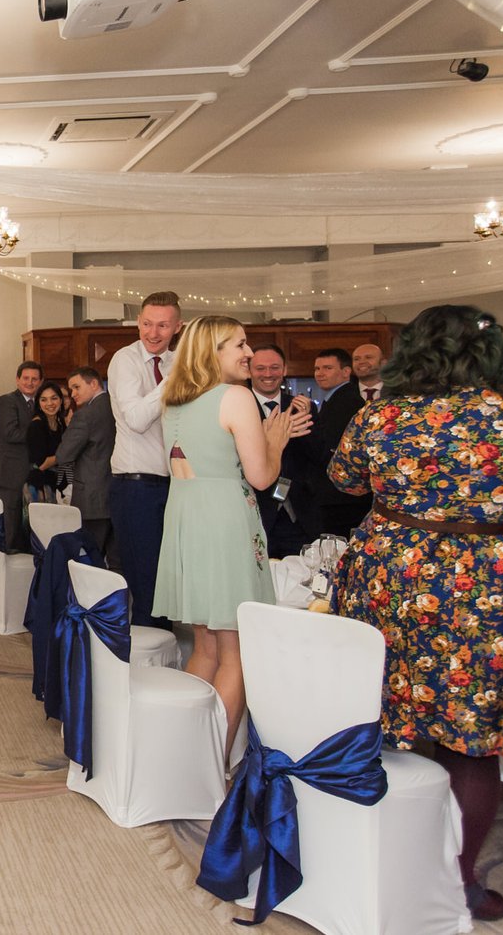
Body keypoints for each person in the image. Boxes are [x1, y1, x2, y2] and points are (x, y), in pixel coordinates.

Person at [330, 306, 503, 922]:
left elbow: (344, 479)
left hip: (390, 579)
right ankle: (457, 883)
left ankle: (369, 863)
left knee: (375, 723)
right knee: (470, 742)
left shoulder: (381, 413)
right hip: (481, 587)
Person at [151, 316, 310, 756]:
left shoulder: (175, 400)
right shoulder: (236, 397)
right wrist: (276, 441)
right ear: (211, 351)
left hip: (186, 519)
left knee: (204, 646)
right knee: (236, 652)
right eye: (238, 344)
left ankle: (187, 754)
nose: (248, 353)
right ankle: (214, 761)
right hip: (224, 525)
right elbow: (262, 479)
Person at [108, 291, 183, 627]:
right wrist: (174, 380)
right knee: (148, 586)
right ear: (138, 322)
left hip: (175, 485)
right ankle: (147, 670)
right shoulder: (125, 360)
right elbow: (138, 420)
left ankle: (167, 660)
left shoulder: (175, 363)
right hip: (135, 487)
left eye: (163, 326)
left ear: (177, 327)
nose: (153, 333)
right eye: (147, 324)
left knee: (171, 583)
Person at [248, 343, 313, 557]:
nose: (268, 374)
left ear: (284, 370)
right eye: (260, 368)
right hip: (254, 511)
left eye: (275, 367)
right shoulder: (239, 406)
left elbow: (318, 457)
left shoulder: (300, 406)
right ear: (249, 371)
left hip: (296, 514)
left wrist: (308, 420)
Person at [298, 348, 371, 537]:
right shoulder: (336, 400)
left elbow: (328, 451)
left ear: (346, 372)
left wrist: (306, 421)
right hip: (338, 497)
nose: (320, 374)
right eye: (317, 369)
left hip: (340, 498)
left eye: (327, 368)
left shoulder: (347, 402)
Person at [56, 368, 114, 556]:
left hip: (91, 496)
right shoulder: (118, 406)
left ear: (94, 384)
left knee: (90, 556)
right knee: (115, 560)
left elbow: (63, 455)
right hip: (117, 492)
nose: (73, 394)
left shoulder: (85, 415)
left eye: (76, 387)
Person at [0, 361, 42, 551]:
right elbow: (10, 434)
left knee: (31, 532)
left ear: (40, 381)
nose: (30, 382)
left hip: (35, 477)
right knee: (9, 533)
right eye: (26, 378)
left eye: (34, 379)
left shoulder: (42, 404)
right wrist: (38, 430)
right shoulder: (7, 401)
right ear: (17, 379)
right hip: (9, 477)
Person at [24, 380, 71, 502]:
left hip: (59, 483)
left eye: (54, 398)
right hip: (40, 486)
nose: (49, 403)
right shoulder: (36, 425)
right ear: (38, 404)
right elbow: (42, 463)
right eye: (43, 400)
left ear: (61, 400)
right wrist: (68, 453)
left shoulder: (61, 423)